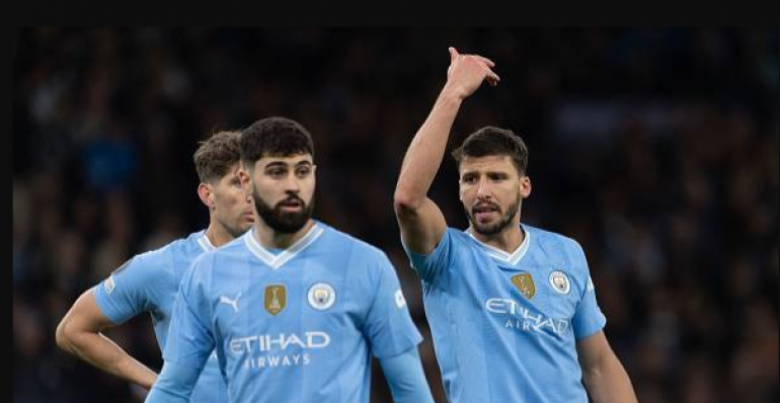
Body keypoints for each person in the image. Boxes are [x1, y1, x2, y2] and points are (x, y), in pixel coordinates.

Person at [393, 47, 639, 403]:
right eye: (470, 179)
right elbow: (408, 200)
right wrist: (453, 93)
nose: (482, 191)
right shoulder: (446, 258)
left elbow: (599, 366)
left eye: (496, 177)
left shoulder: (565, 254)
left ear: (524, 186)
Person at [146, 117, 435, 403]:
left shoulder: (365, 264)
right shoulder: (206, 274)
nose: (293, 185)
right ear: (246, 181)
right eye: (277, 172)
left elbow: (410, 390)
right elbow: (172, 389)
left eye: (302, 171)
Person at [56, 131, 255, 403]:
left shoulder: (289, 266)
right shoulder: (167, 266)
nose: (251, 196)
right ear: (208, 195)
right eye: (237, 183)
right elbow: (72, 329)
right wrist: (159, 384)